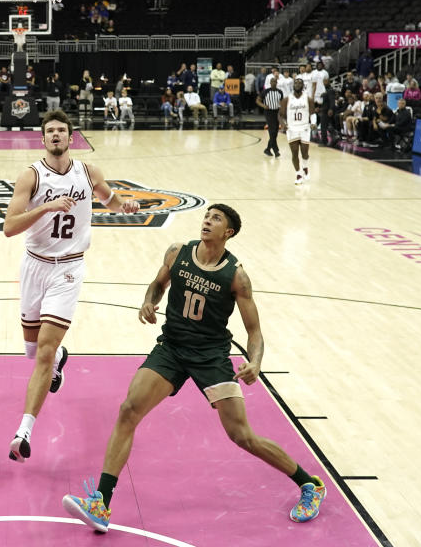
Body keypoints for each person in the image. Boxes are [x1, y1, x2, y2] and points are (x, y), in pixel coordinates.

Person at [61, 205, 326, 533]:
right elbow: (157, 285)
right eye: (207, 216)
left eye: (216, 219)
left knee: (241, 436)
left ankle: (309, 484)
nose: (207, 221)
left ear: (228, 232)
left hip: (210, 357)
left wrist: (255, 362)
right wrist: (149, 300)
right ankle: (101, 502)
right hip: (171, 348)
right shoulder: (178, 252)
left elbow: (254, 332)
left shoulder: (236, 276)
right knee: (129, 410)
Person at [2, 110, 139, 462]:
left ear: (71, 137)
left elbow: (110, 200)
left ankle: (24, 431)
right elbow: (9, 227)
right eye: (50, 131)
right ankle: (62, 358)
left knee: (43, 352)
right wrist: (46, 206)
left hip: (68, 270)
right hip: (35, 267)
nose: (56, 136)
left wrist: (126, 205)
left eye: (62, 131)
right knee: (33, 352)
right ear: (42, 139)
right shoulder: (30, 177)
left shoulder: (88, 172)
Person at [280, 77, 315, 184]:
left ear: (303, 85)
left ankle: (305, 167)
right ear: (293, 85)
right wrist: (283, 124)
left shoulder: (308, 99)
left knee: (305, 153)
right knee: (294, 153)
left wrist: (313, 123)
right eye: (296, 82)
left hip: (304, 127)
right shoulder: (287, 99)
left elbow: (312, 113)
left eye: (300, 83)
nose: (298, 84)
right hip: (292, 128)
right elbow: (280, 115)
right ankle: (298, 174)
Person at [257, 83, 283, 157]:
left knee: (275, 132)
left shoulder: (280, 92)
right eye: (272, 82)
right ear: (270, 83)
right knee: (272, 131)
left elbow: (281, 102)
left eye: (275, 82)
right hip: (268, 112)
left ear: (276, 83)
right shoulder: (265, 91)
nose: (274, 83)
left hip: (276, 112)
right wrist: (264, 106)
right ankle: (276, 150)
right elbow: (258, 101)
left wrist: (281, 111)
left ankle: (268, 149)